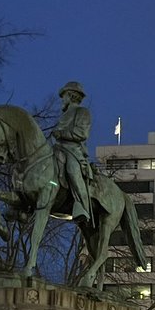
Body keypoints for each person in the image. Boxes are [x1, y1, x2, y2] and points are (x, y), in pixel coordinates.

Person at [51, 80, 94, 224]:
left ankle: (82, 206)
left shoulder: (82, 112)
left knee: (72, 171)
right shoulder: (64, 114)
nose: (62, 100)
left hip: (73, 151)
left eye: (64, 96)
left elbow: (82, 133)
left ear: (71, 96)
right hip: (57, 148)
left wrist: (62, 133)